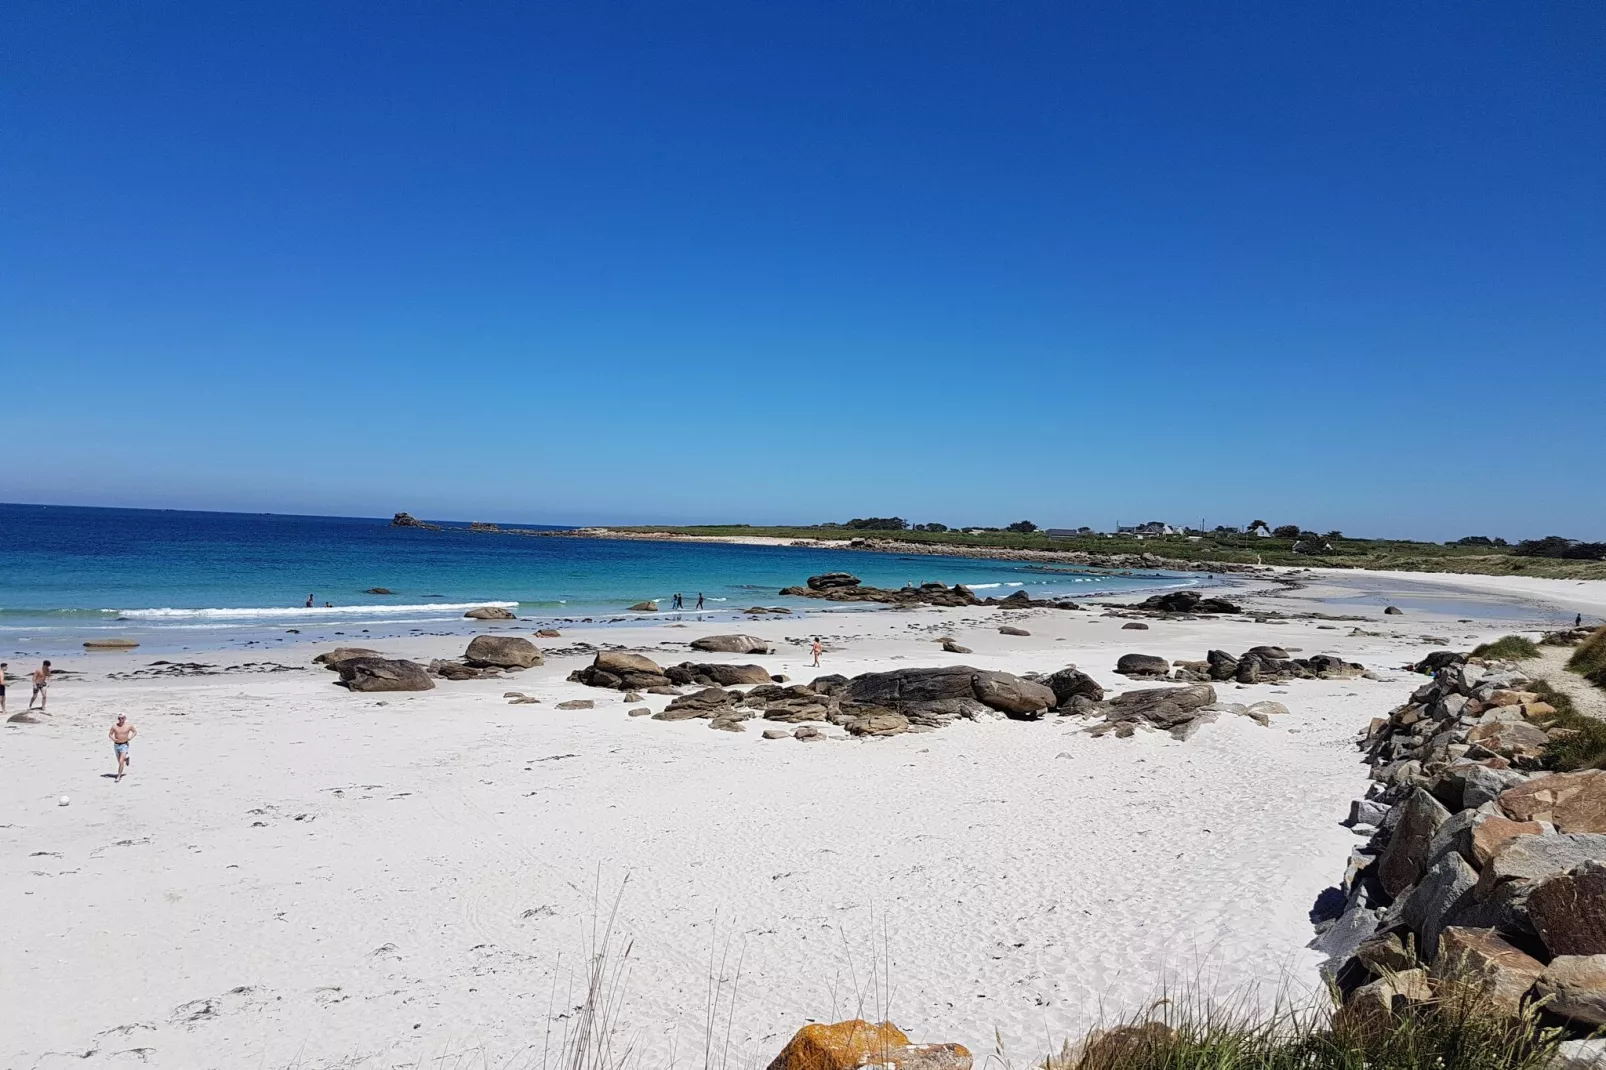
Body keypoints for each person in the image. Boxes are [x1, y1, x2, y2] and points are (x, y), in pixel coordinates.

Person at [109, 713, 137, 781]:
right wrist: (113, 739)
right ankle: (126, 759)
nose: (121, 720)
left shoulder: (129, 726)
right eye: (119, 718)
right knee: (120, 761)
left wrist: (130, 737)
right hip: (116, 745)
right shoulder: (114, 726)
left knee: (121, 762)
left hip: (124, 745)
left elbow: (135, 732)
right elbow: (110, 734)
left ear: (125, 718)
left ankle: (118, 776)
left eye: (122, 718)